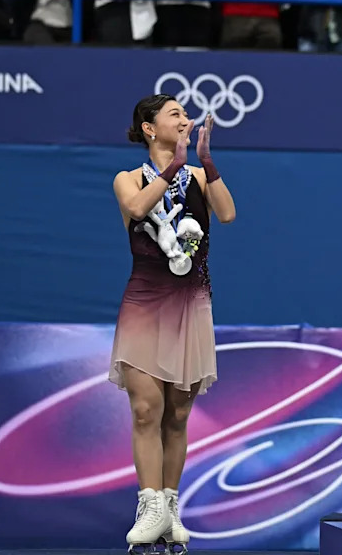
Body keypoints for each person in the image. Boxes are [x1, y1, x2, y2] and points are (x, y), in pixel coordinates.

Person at [109, 95, 236, 551]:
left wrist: (203, 162)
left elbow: (226, 214)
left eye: (185, 114)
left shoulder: (200, 175)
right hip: (145, 303)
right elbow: (139, 209)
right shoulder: (127, 179)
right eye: (175, 114)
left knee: (178, 414)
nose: (185, 119)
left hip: (191, 304)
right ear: (149, 128)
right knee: (147, 408)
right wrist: (169, 169)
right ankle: (149, 505)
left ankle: (170, 506)